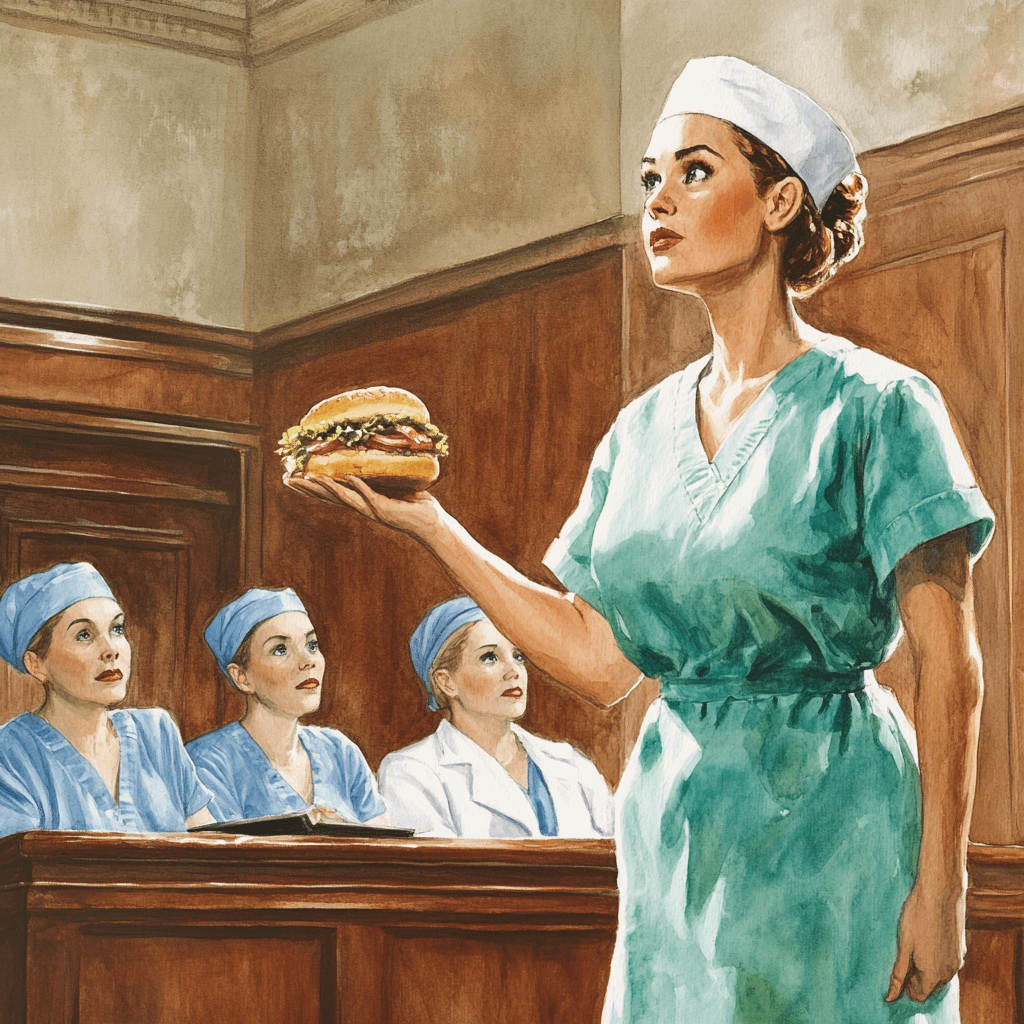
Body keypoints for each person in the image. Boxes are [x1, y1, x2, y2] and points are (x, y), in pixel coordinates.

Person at [285, 55, 992, 1023]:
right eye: (649, 177)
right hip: (676, 847)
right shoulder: (638, 434)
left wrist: (941, 888)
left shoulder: (877, 407)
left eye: (694, 171)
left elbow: (949, 664)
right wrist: (431, 525)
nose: (659, 199)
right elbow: (597, 655)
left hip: (837, 828)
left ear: (780, 199)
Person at [0, 562, 214, 836]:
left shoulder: (156, 733)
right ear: (36, 664)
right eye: (84, 635)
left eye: (117, 629)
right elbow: (18, 870)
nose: (111, 650)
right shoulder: (11, 754)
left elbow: (211, 848)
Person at [378, 596, 614, 838]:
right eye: (490, 657)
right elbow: (434, 873)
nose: (513, 671)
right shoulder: (411, 772)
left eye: (518, 656)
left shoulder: (571, 764)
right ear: (446, 682)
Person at [187, 587, 388, 825]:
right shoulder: (207, 762)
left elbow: (387, 845)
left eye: (311, 645)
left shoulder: (340, 751)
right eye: (280, 649)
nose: (308, 661)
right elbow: (227, 857)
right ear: (242, 677)